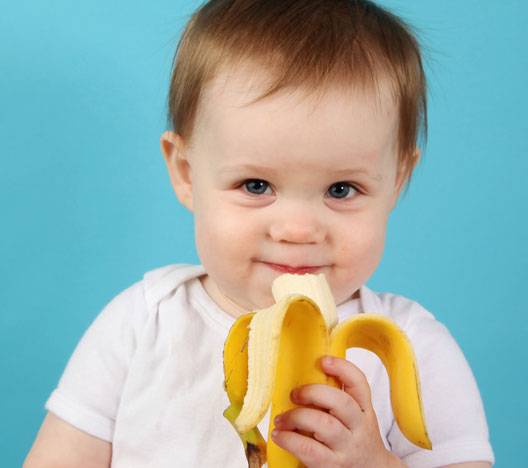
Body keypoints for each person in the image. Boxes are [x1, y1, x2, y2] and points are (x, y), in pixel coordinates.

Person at [24, 0, 495, 466]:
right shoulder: (141, 323)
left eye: (341, 189)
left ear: (397, 180)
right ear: (186, 173)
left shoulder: (411, 348)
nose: (297, 230)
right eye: (256, 185)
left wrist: (375, 463)